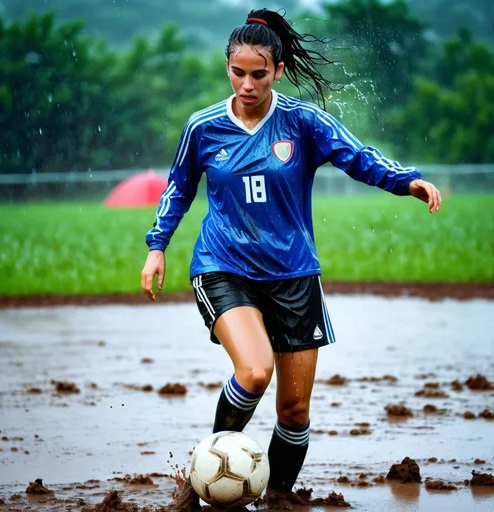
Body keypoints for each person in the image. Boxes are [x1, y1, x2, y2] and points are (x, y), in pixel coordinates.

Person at [141, 7, 441, 509]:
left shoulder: (302, 123)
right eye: (238, 72)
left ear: (278, 70)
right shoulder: (204, 128)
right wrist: (157, 247)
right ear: (227, 68)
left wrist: (403, 180)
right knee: (255, 372)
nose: (247, 83)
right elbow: (178, 188)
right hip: (223, 266)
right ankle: (201, 479)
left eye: (259, 74)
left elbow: (358, 156)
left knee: (295, 410)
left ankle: (276, 498)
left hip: (294, 276)